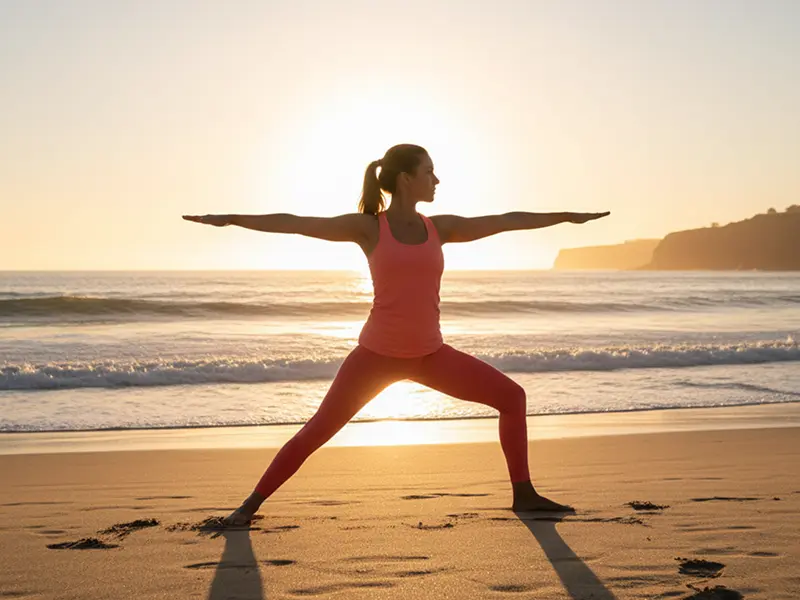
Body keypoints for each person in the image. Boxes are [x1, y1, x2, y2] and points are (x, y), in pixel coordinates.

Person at [183, 143, 609, 525]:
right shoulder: (369, 228)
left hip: (430, 355)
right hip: (376, 357)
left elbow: (504, 221)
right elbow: (296, 223)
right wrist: (233, 220)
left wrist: (565, 218)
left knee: (512, 398)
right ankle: (248, 507)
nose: (437, 179)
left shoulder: (439, 228)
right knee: (317, 431)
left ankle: (524, 495)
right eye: (429, 172)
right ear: (406, 179)